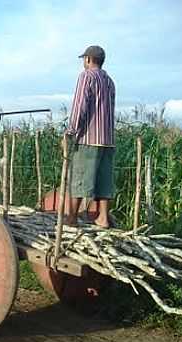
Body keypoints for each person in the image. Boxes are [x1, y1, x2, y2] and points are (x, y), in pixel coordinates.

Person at [65, 45, 116, 228]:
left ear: (88, 59)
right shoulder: (110, 81)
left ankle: (71, 219)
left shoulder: (86, 77)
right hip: (108, 140)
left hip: (89, 138)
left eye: (84, 60)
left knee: (79, 178)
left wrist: (71, 131)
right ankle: (103, 218)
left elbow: (80, 107)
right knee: (104, 181)